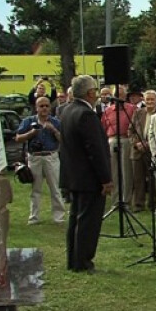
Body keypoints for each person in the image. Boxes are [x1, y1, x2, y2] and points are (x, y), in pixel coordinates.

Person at [59, 75, 114, 273]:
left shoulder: (66, 111)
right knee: (88, 222)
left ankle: (73, 259)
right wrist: (105, 179)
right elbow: (96, 150)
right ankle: (83, 262)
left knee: (76, 218)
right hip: (88, 177)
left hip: (73, 175)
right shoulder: (86, 115)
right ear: (90, 93)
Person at [15, 97, 66, 225]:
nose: (44, 109)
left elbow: (63, 140)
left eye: (46, 106)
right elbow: (18, 138)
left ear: (50, 107)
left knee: (55, 188)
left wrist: (53, 130)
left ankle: (58, 217)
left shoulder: (55, 122)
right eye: (41, 106)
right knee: (35, 189)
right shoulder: (28, 121)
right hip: (35, 157)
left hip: (51, 156)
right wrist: (31, 133)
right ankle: (34, 217)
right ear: (36, 108)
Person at [101, 86, 136, 210]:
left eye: (121, 94)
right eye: (116, 94)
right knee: (114, 172)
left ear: (125, 96)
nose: (118, 97)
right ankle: (116, 200)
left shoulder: (131, 109)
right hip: (112, 140)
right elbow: (103, 127)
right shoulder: (108, 111)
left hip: (126, 139)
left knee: (126, 171)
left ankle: (126, 200)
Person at [129, 90, 156, 212]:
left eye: (152, 99)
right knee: (138, 179)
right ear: (144, 100)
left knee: (153, 179)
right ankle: (138, 204)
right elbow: (130, 131)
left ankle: (152, 204)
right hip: (137, 151)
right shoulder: (137, 113)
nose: (150, 102)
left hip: (152, 150)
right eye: (148, 99)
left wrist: (149, 144)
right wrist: (137, 143)